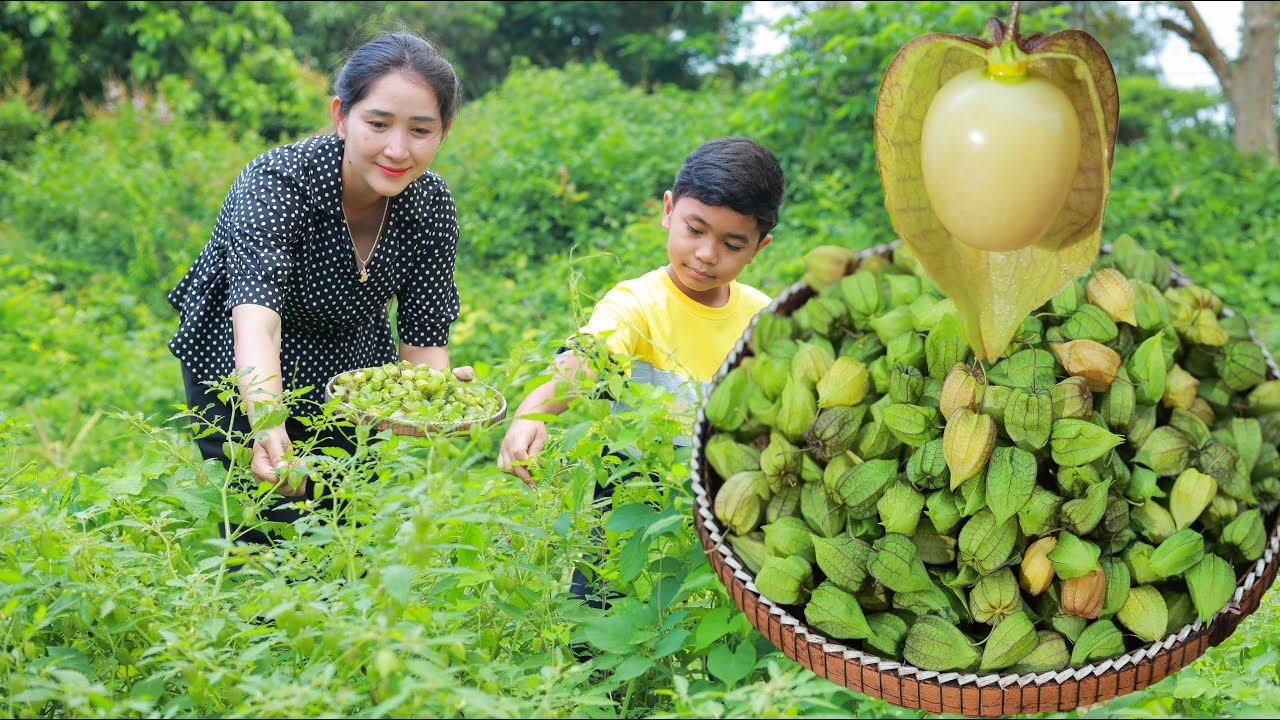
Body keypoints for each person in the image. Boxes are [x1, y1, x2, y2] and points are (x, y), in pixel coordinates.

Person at [167, 31, 471, 545]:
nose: (398, 149)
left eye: (421, 130)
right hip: (243, 360)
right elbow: (257, 323)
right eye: (377, 124)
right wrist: (266, 423)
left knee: (344, 529)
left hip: (350, 363)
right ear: (341, 116)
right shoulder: (278, 181)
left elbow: (424, 341)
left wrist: (433, 400)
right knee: (263, 529)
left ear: (443, 132)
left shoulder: (431, 207)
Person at [497, 136, 785, 611]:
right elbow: (586, 359)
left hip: (726, 498)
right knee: (600, 614)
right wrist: (533, 411)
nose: (707, 254)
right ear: (669, 211)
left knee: (712, 615)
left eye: (732, 244)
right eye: (695, 229)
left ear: (758, 248)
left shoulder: (763, 316)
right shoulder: (636, 302)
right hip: (631, 488)